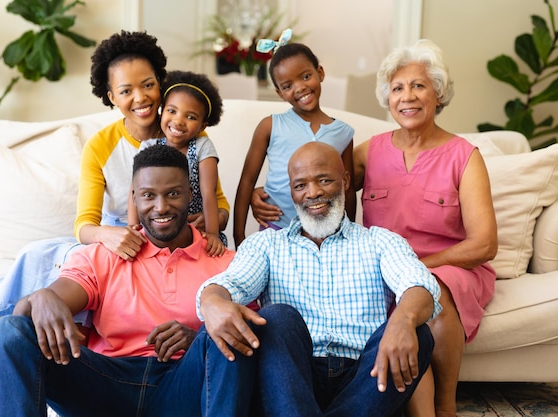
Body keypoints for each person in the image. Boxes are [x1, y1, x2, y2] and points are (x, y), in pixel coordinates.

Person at [0, 30, 230, 321]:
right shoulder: (100, 146)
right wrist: (110, 235)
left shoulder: (185, 131)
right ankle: (36, 318)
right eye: (126, 91)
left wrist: (210, 221)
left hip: (176, 233)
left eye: (148, 85)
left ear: (161, 83)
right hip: (124, 235)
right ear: (111, 97)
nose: (140, 98)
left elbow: (216, 201)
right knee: (42, 255)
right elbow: (84, 225)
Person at [0, 144, 255, 417]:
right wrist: (40, 297)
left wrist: (197, 339)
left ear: (189, 193)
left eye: (173, 194)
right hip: (104, 385)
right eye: (148, 195)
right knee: (10, 331)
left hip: (182, 388)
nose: (161, 207)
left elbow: (256, 340)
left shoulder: (226, 262)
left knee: (231, 331)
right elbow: (34, 311)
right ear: (134, 198)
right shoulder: (104, 255)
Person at [198, 141, 442, 417]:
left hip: (366, 379)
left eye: (324, 180)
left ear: (345, 180)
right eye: (300, 185)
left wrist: (404, 320)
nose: (312, 193)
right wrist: (212, 300)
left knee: (418, 332)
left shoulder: (381, 241)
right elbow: (232, 283)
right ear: (291, 192)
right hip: (289, 378)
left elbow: (419, 284)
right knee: (278, 318)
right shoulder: (265, 245)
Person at [353, 39, 498, 417]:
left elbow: (484, 244)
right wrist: (260, 195)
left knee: (430, 290)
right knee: (407, 296)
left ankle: (446, 403)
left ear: (438, 93)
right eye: (397, 88)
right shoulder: (370, 151)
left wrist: (422, 265)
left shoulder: (464, 156)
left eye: (418, 86)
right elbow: (319, 189)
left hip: (452, 267)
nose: (407, 97)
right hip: (389, 267)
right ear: (388, 99)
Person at [232, 40, 355, 247]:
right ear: (280, 93)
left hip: (324, 234)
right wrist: (239, 237)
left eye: (306, 76)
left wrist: (350, 238)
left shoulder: (343, 133)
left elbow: (347, 190)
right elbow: (246, 182)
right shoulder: (270, 126)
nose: (300, 88)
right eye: (288, 86)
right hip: (276, 230)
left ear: (320, 73)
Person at [128, 70, 227, 255]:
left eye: (190, 117)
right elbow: (134, 191)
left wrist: (212, 234)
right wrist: (133, 227)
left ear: (202, 126)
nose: (178, 121)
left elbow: (208, 194)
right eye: (172, 111)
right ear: (161, 111)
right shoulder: (149, 146)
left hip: (195, 232)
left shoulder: (202, 147)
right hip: (157, 231)